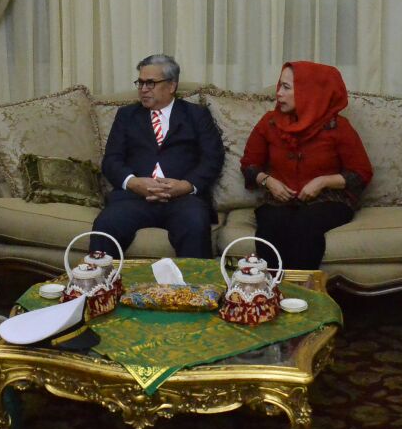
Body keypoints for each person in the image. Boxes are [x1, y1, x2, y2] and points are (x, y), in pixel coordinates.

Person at [239, 62, 372, 268]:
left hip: (328, 200)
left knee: (304, 225)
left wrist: (323, 182)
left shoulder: (338, 127)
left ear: (308, 92)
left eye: (286, 87)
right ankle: (270, 285)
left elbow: (361, 173)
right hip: (278, 201)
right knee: (271, 224)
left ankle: (299, 288)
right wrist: (268, 181)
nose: (278, 93)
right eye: (280, 86)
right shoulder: (269, 122)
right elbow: (249, 165)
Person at [91, 54, 224, 258]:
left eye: (150, 83)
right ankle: (100, 279)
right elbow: (111, 160)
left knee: (195, 222)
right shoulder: (127, 115)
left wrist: (186, 186)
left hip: (183, 199)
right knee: (105, 224)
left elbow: (212, 158)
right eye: (140, 83)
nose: (143, 89)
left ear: (171, 86)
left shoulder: (196, 115)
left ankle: (195, 281)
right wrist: (134, 183)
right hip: (134, 198)